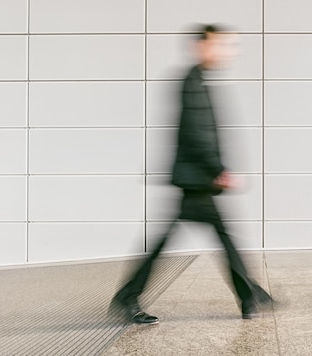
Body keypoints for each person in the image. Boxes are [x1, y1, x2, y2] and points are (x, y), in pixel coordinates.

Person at [110, 24, 272, 325]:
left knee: (210, 236)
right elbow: (198, 133)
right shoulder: (193, 82)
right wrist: (219, 169)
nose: (226, 51)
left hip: (195, 177)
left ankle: (249, 294)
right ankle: (128, 297)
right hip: (196, 178)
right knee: (210, 237)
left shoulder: (199, 80)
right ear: (201, 47)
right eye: (220, 45)